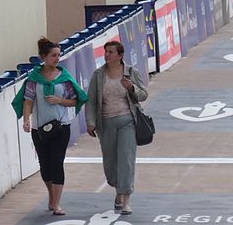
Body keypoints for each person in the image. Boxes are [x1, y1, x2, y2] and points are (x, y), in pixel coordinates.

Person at [11, 37, 88, 216]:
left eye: (59, 55)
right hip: (40, 128)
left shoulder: (64, 78)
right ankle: (51, 195)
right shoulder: (34, 79)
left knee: (56, 163)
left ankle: (57, 203)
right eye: (53, 55)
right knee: (45, 166)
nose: (57, 59)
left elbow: (75, 100)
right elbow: (28, 100)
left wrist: (60, 100)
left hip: (61, 127)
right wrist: (26, 119)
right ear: (43, 57)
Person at [85, 40, 148, 216]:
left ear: (120, 55)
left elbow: (143, 94)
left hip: (127, 121)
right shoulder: (98, 75)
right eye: (105, 52)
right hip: (105, 124)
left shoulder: (130, 72)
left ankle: (126, 199)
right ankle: (117, 189)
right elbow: (91, 100)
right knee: (110, 162)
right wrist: (91, 122)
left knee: (126, 160)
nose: (107, 55)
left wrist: (132, 88)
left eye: (111, 52)